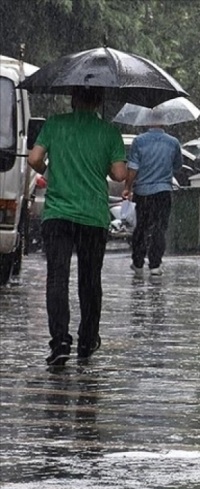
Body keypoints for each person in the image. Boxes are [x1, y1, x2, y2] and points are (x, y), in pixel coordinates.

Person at [27, 86, 128, 366]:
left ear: (73, 99)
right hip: (93, 216)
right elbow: (119, 174)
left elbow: (35, 158)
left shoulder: (55, 124)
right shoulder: (109, 132)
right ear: (99, 101)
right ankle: (87, 339)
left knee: (57, 278)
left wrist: (52, 171)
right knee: (89, 280)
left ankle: (60, 341)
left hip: (58, 214)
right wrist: (101, 163)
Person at [122, 120, 183, 276]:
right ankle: (155, 265)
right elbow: (177, 166)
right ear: (164, 123)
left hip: (142, 193)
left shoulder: (139, 141)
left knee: (141, 227)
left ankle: (138, 262)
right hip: (163, 192)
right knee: (159, 228)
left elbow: (133, 167)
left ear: (148, 122)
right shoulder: (173, 143)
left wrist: (128, 187)